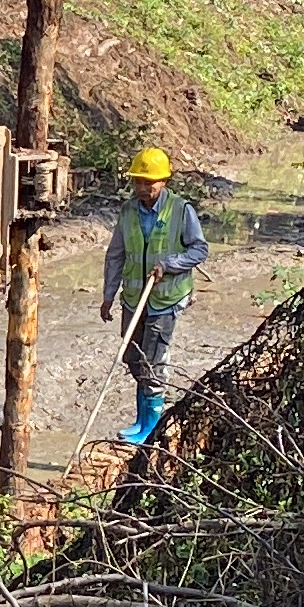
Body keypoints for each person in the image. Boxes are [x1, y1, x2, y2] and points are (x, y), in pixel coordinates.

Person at [101, 142, 208, 446]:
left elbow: (199, 250)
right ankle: (143, 418)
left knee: (153, 361)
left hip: (165, 299)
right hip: (135, 298)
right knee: (133, 357)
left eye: (149, 183)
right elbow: (116, 255)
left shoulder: (181, 211)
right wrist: (108, 295)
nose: (143, 188)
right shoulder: (128, 211)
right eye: (138, 182)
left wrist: (169, 264)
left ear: (163, 182)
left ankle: (150, 426)